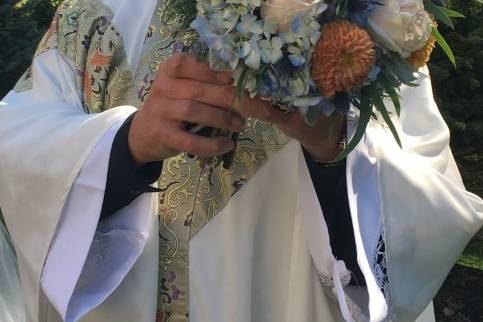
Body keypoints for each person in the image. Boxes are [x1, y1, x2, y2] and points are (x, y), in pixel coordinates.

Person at [0, 0, 482, 321]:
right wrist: (127, 146)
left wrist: (337, 149)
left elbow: (427, 207)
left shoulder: (363, 18)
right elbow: (17, 142)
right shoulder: (94, 13)